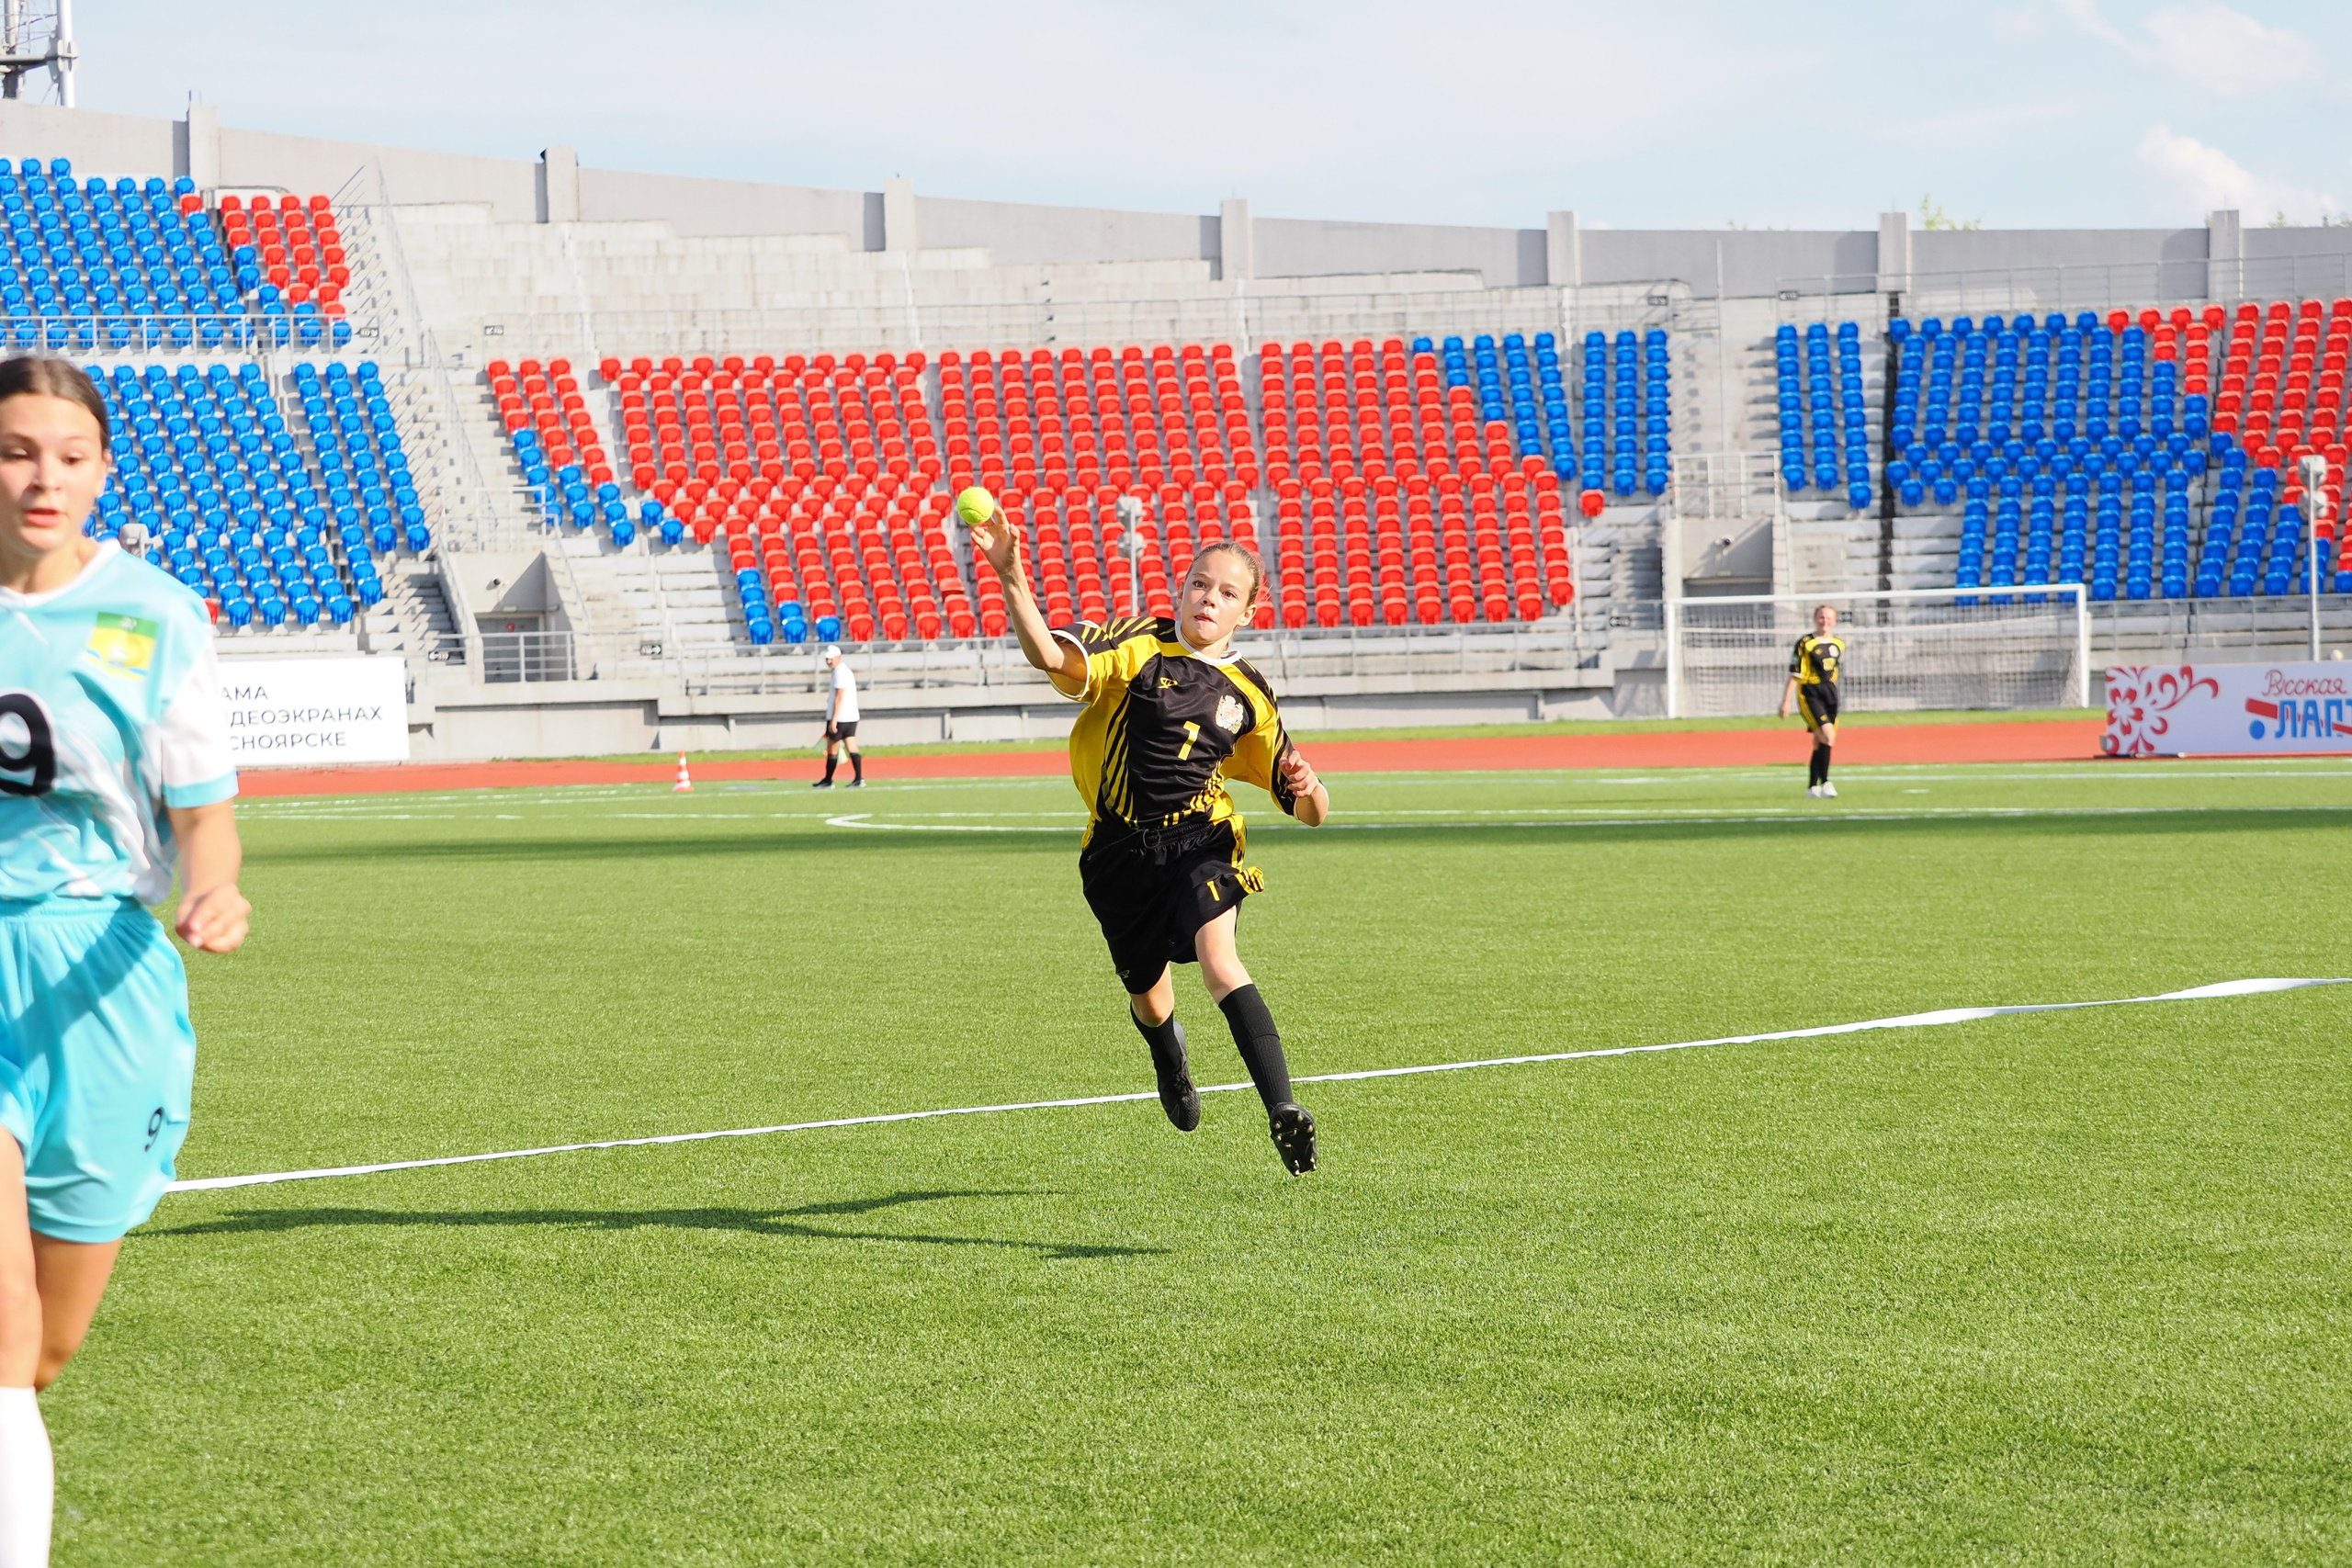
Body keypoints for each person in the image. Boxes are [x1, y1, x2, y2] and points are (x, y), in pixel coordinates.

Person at [0, 355, 248, 1562]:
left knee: (44, 1350)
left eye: (67, 454)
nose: (41, 476)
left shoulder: (157, 612)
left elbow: (203, 810)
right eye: (14, 449)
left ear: (102, 470)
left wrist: (218, 886)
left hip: (101, 978)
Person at [967, 495, 1330, 1174]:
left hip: (1201, 839)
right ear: (1181, 586)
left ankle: (1283, 1107)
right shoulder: (1139, 644)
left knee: (1221, 959)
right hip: (1117, 855)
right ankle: (1169, 1055)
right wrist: (1012, 576)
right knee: (1149, 993)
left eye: (1227, 592)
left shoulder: (1249, 692)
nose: (1208, 599)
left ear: (1247, 612)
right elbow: (1052, 658)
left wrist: (1309, 790)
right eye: (1199, 582)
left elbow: (1313, 810)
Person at [1778, 603, 1845, 797]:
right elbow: (1794, 673)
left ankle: (1812, 787)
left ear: (1835, 620)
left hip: (1830, 692)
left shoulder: (1839, 643)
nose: (1825, 621)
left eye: (1829, 617)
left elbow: (1833, 669)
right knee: (1828, 736)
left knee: (1819, 741)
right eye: (1822, 617)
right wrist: (1786, 701)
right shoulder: (1805, 643)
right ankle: (1826, 783)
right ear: (1815, 619)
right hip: (1810, 692)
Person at [812, 642, 863, 788]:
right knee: (851, 746)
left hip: (841, 717)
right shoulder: (845, 671)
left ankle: (828, 780)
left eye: (831, 659)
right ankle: (858, 778)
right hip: (851, 716)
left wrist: (833, 719)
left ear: (838, 657)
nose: (829, 661)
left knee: (832, 749)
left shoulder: (840, 672)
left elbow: (839, 696)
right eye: (827, 659)